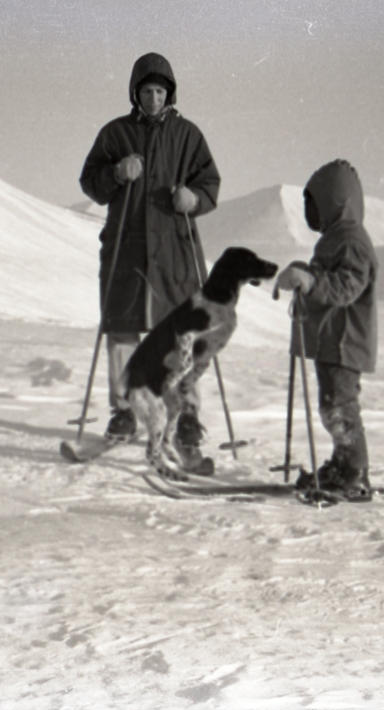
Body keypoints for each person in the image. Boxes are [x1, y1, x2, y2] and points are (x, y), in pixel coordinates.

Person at [79, 52, 221, 465]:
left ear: (169, 93)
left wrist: (193, 197)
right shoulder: (114, 134)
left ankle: (188, 414)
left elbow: (209, 182)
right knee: (122, 333)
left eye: (160, 91)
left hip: (175, 252)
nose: (154, 98)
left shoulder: (189, 135)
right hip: (127, 251)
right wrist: (117, 173)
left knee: (181, 338)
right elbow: (90, 181)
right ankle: (124, 412)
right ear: (135, 93)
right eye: (147, 91)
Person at [273, 159, 378, 500]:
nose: (311, 212)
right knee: (332, 405)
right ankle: (342, 463)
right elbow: (326, 277)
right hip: (332, 341)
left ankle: (354, 472)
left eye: (315, 204)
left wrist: (311, 281)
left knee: (340, 406)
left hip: (345, 341)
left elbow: (348, 286)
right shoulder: (336, 238)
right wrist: (303, 271)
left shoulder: (352, 240)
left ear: (335, 202)